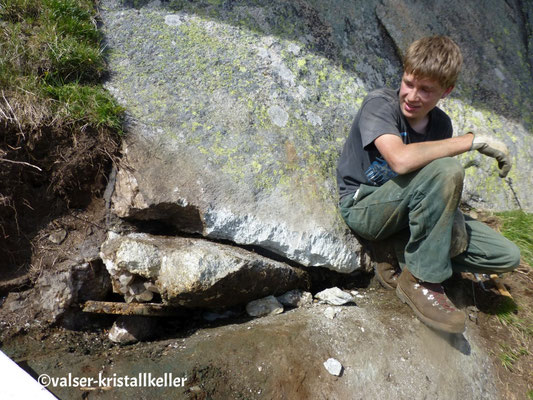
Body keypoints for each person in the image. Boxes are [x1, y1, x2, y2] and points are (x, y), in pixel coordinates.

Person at [336, 35, 521, 334]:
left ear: (446, 91)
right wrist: (471, 142)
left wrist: (454, 218)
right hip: (366, 206)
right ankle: (421, 281)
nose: (412, 96)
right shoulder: (380, 104)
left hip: (409, 213)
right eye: (409, 82)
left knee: (505, 255)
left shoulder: (441, 125)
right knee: (448, 168)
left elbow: (429, 186)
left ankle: (397, 252)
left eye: (426, 90)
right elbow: (399, 161)